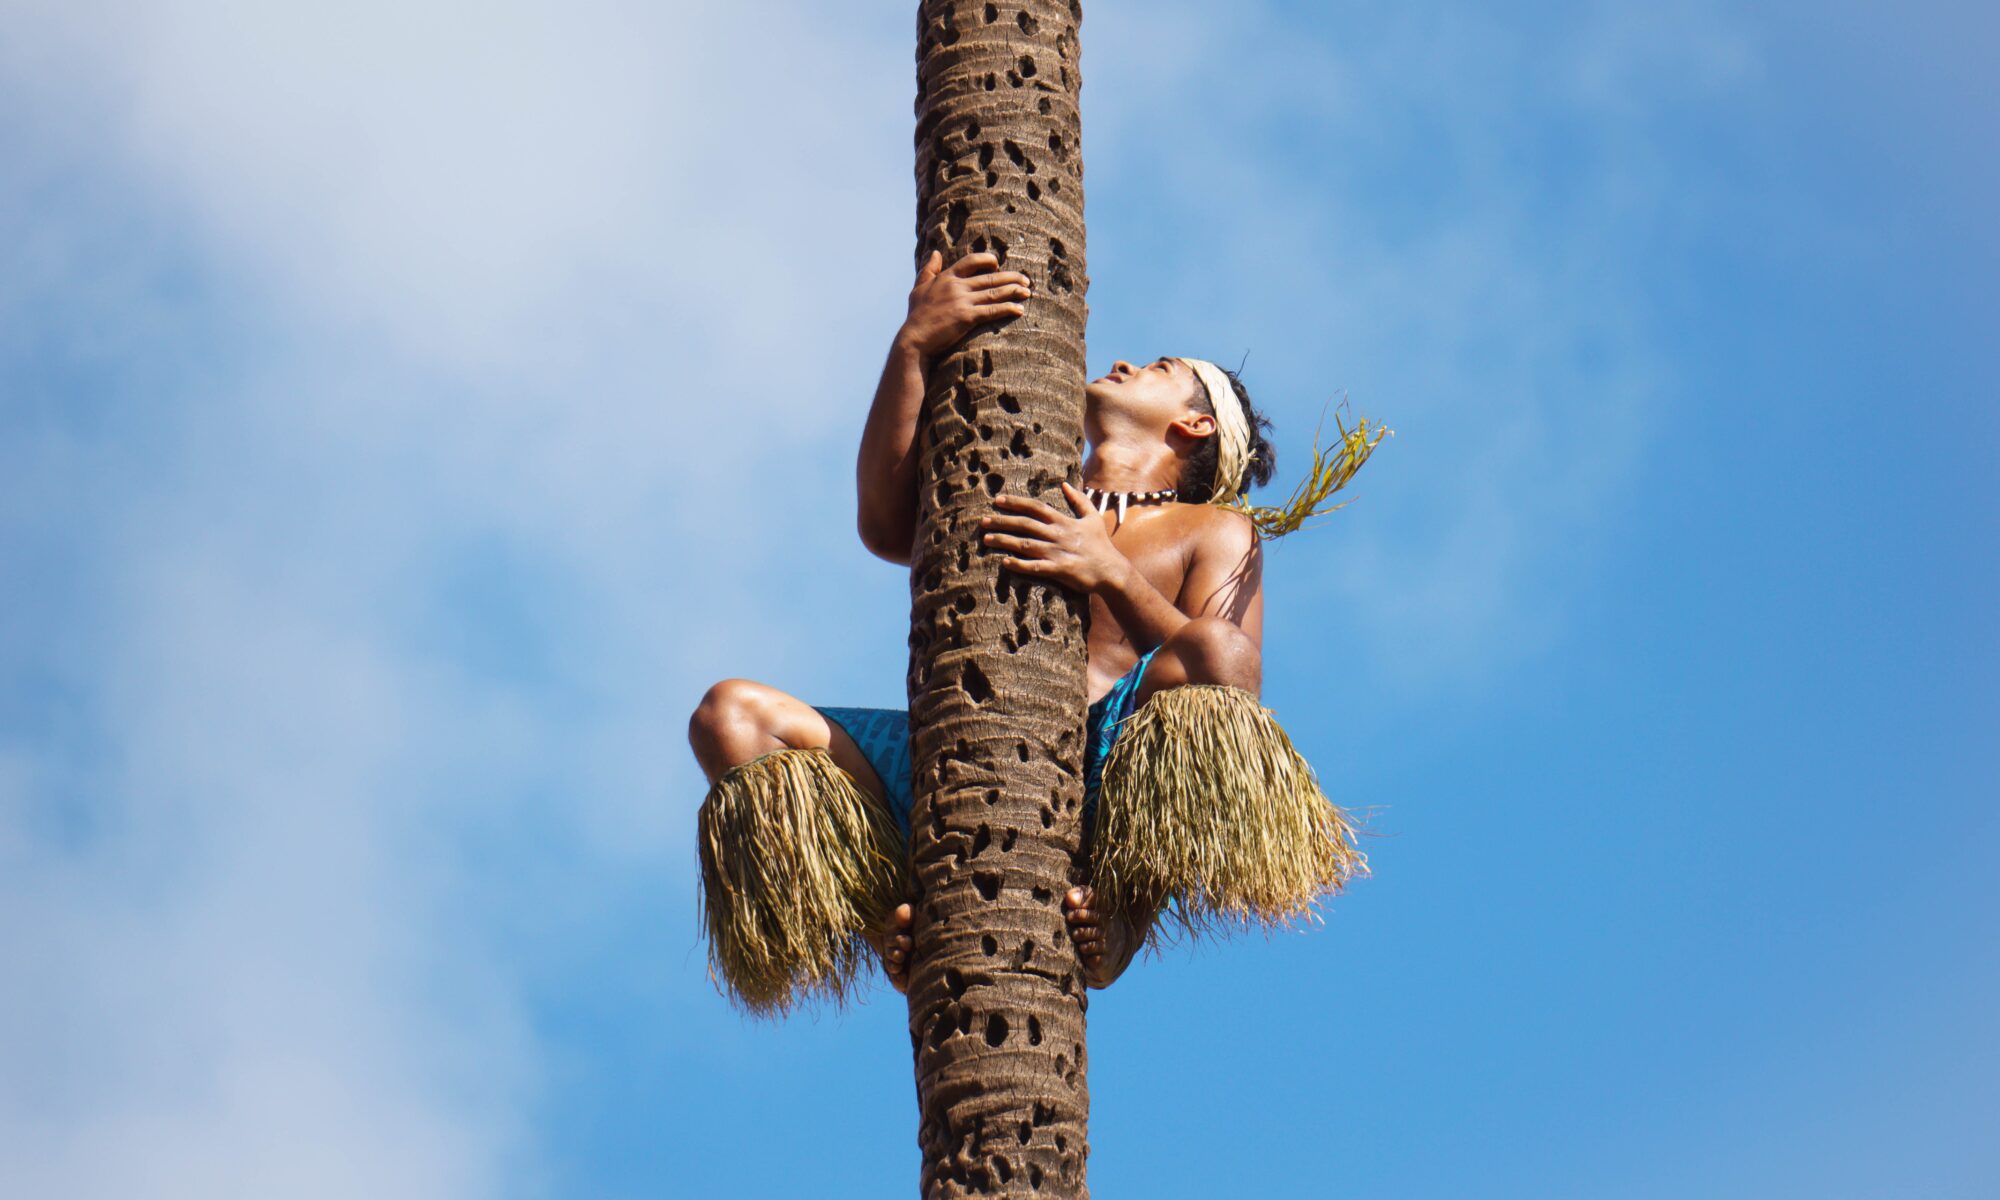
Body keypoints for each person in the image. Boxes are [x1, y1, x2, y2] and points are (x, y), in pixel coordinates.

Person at [689, 252, 1376, 1014]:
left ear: (1196, 424)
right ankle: (895, 909)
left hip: (1104, 769)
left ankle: (1120, 912)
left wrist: (1106, 571)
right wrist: (912, 346)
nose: (1124, 362)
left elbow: (1229, 673)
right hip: (953, 757)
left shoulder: (1214, 528)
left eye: (1158, 367)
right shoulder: (1012, 475)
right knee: (730, 718)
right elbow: (885, 525)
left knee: (1212, 655)